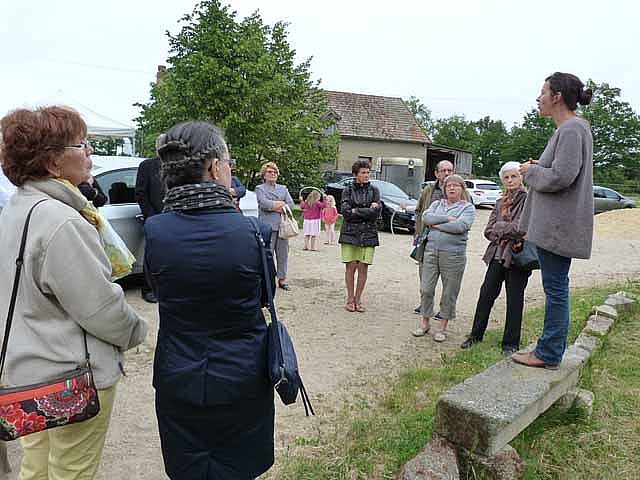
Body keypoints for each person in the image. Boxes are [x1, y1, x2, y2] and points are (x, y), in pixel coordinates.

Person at [0, 105, 148, 479]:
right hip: (69, 377)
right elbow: (99, 308)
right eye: (81, 144)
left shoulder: (16, 208)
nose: (89, 152)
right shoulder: (62, 220)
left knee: (36, 466)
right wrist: (136, 331)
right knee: (72, 471)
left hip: (25, 372)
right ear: (52, 162)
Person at [144, 121, 275, 480]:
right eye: (229, 162)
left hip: (178, 375)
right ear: (216, 168)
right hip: (242, 376)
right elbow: (266, 296)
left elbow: (157, 289)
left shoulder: (155, 231)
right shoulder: (254, 232)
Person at [512, 72, 594, 369]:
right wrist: (539, 166)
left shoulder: (571, 129)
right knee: (556, 287)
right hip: (559, 225)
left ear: (557, 97)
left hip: (558, 227)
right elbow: (562, 168)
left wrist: (530, 172)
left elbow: (562, 176)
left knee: (556, 289)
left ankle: (547, 353)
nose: (538, 98)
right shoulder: (575, 128)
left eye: (543, 92)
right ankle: (549, 350)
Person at [461, 162, 531, 355]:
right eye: (506, 177)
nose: (510, 180)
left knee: (515, 299)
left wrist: (500, 228)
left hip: (517, 256)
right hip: (497, 254)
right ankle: (475, 336)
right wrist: (505, 230)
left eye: (513, 176)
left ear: (521, 178)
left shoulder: (528, 200)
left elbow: (521, 228)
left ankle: (510, 344)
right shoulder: (500, 202)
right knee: (486, 295)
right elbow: (488, 231)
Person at [412, 174, 475, 342]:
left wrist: (436, 225)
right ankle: (425, 322)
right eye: (448, 186)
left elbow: (461, 226)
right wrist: (447, 219)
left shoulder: (467, 208)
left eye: (456, 185)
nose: (452, 188)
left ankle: (442, 327)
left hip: (453, 255)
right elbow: (426, 218)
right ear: (444, 189)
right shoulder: (436, 204)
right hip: (431, 251)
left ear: (462, 189)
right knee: (426, 288)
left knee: (449, 292)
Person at [339, 159, 380, 313]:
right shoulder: (347, 190)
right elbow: (346, 213)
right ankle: (350, 298)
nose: (366, 175)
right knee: (351, 266)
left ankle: (358, 298)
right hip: (350, 232)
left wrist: (357, 210)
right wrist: (367, 210)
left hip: (368, 233)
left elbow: (376, 213)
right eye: (363, 172)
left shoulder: (374, 190)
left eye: (368, 172)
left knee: (363, 267)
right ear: (356, 174)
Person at [135, 141, 167, 303]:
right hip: (154, 217)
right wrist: (152, 216)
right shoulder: (147, 166)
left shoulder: (177, 166)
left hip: (174, 216)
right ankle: (149, 289)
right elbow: (140, 193)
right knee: (151, 255)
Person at [255, 161, 295, 290]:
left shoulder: (283, 188)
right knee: (267, 255)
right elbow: (264, 204)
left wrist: (275, 206)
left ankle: (282, 279)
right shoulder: (260, 188)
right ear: (264, 174)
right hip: (267, 227)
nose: (273, 174)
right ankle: (267, 280)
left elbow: (291, 205)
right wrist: (281, 204)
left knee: (283, 255)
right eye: (269, 172)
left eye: (275, 172)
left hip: (283, 227)